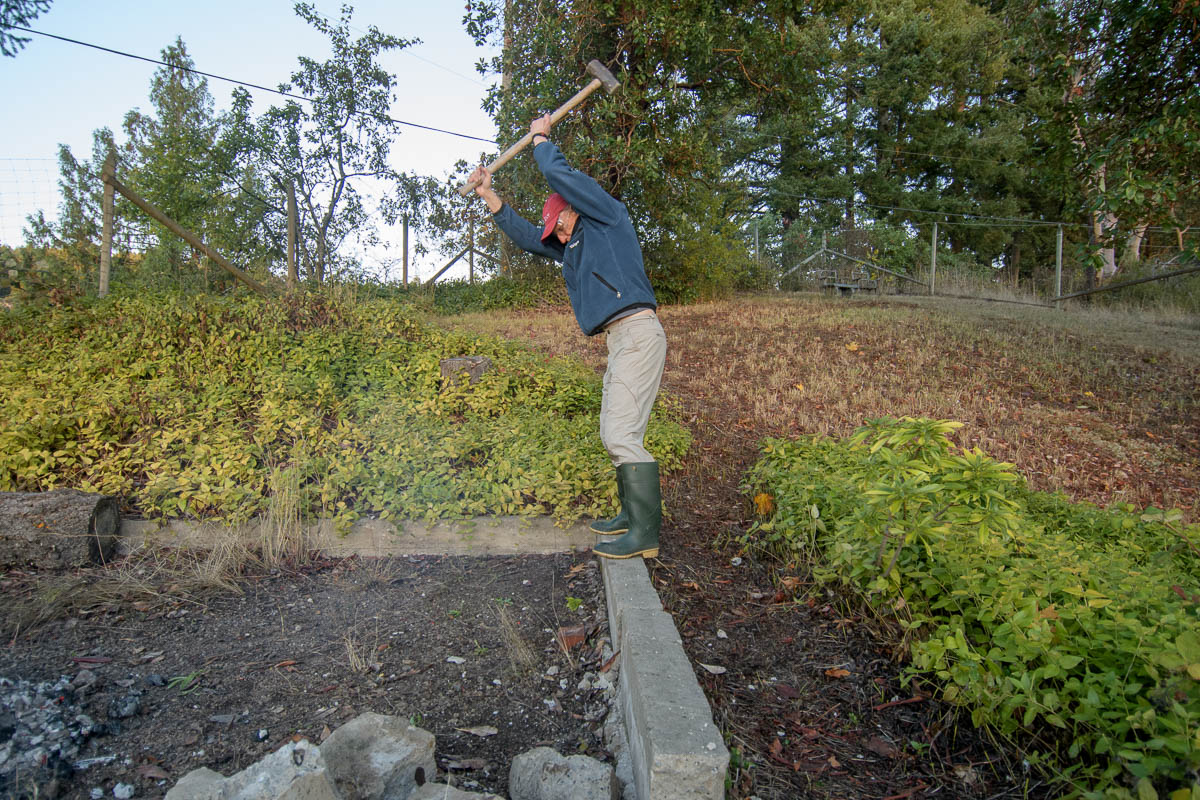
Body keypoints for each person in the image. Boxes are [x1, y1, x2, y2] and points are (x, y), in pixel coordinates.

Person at [468, 114, 667, 560]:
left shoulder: (606, 218)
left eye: (560, 222)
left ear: (575, 208)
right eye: (554, 231)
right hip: (620, 338)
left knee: (620, 432)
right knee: (613, 429)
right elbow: (527, 237)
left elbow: (561, 176)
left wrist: (541, 139)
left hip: (637, 331)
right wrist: (489, 195)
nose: (558, 233)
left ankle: (645, 536)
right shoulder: (574, 246)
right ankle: (630, 516)